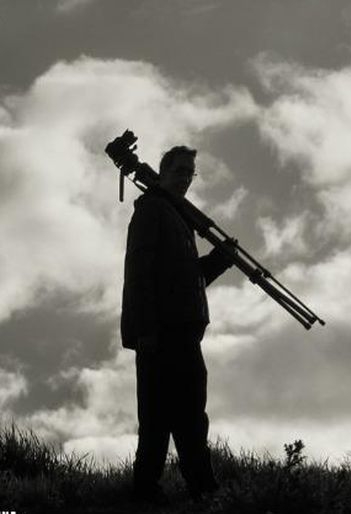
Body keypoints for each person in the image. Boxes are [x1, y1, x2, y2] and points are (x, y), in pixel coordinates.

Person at [121, 145, 234, 502]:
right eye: (179, 171)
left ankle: (192, 488)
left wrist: (219, 260)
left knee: (185, 416)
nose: (185, 178)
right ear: (163, 171)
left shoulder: (177, 216)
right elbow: (138, 274)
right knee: (163, 418)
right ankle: (172, 489)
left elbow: (188, 279)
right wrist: (146, 331)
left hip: (182, 331)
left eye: (190, 173)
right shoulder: (154, 211)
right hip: (162, 333)